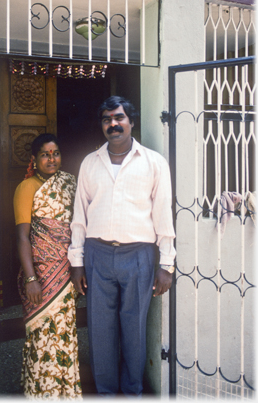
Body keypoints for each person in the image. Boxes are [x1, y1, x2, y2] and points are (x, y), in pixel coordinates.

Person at [68, 96, 176, 397]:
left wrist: (166, 265)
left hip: (139, 257)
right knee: (100, 331)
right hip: (97, 255)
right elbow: (81, 215)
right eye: (106, 119)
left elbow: (163, 214)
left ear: (131, 121)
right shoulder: (91, 162)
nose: (112, 124)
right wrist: (77, 261)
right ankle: (105, 392)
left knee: (134, 330)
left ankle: (132, 392)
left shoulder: (154, 163)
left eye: (118, 118)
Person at [13, 133, 82, 399]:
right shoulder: (26, 187)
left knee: (64, 332)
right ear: (34, 158)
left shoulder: (68, 183)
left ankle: (65, 390)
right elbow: (22, 236)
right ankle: (41, 391)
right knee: (42, 336)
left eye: (55, 153)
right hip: (41, 274)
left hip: (66, 273)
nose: (51, 159)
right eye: (45, 154)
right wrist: (31, 278)